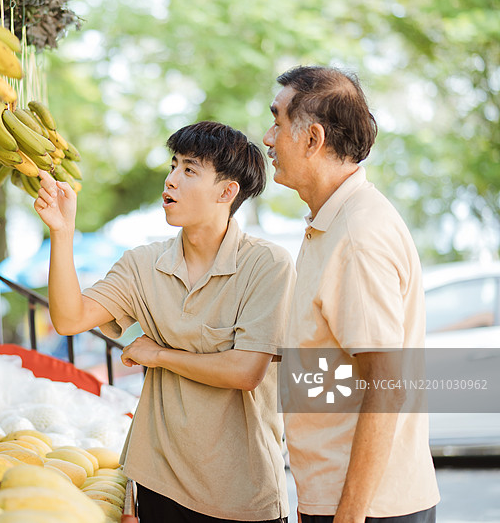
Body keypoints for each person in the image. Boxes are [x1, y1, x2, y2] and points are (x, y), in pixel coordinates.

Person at [34, 121, 295, 522]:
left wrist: (157, 354)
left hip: (242, 494)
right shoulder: (142, 264)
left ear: (227, 192)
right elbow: (70, 319)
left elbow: (245, 371)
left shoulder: (267, 265)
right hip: (159, 486)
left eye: (189, 170)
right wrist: (62, 232)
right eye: (173, 165)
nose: (171, 180)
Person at [263, 65, 439, 523]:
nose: (267, 138)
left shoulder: (357, 235)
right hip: (339, 499)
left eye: (277, 122)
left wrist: (349, 515)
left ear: (311, 138)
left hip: (367, 509)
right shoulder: (331, 223)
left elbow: (387, 385)